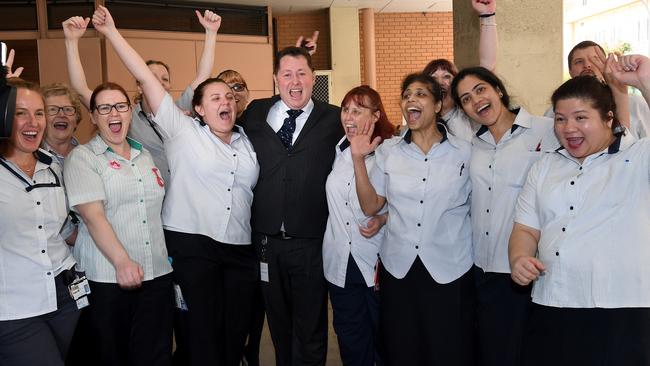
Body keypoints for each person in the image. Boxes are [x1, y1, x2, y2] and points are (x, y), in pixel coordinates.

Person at [89, 6, 260, 365]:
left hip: (239, 250)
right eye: (215, 97)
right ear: (197, 109)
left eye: (229, 97)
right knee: (198, 337)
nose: (225, 101)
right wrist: (112, 33)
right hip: (192, 246)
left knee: (235, 334)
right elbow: (146, 78)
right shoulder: (181, 132)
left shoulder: (246, 142)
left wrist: (214, 33)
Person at [509, 54, 650, 365]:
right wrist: (519, 257)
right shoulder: (545, 166)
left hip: (621, 308)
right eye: (560, 119)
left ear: (608, 118)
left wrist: (644, 81)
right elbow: (525, 228)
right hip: (552, 303)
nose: (568, 128)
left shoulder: (637, 158)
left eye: (580, 117)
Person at [351, 73, 474, 365]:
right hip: (400, 268)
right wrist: (358, 161)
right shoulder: (389, 151)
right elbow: (371, 206)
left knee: (447, 349)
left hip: (450, 267)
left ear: (438, 104)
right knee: (402, 349)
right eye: (406, 95)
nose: (411, 101)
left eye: (420, 94)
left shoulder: (464, 152)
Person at [240, 45, 343, 366]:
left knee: (311, 328)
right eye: (287, 74)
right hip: (266, 244)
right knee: (279, 327)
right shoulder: (255, 113)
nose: (294, 81)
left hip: (312, 243)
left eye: (302, 73)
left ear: (313, 78)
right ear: (275, 79)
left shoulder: (334, 118)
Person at [449, 65, 557, 365]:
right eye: (466, 99)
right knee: (492, 351)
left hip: (527, 268)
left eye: (480, 89)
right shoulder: (474, 146)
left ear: (498, 89)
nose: (476, 100)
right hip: (482, 268)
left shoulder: (545, 130)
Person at [64, 79, 174, 366]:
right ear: (93, 116)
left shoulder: (145, 155)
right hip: (109, 279)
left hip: (157, 274)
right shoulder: (83, 158)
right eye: (104, 108)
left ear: (129, 111)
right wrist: (122, 261)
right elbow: (92, 216)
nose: (114, 113)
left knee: (155, 355)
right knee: (112, 356)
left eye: (121, 106)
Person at [63, 9, 220, 184]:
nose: (159, 83)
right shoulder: (125, 115)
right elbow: (81, 89)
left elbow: (202, 77)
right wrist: (71, 41)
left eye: (165, 79)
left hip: (182, 198)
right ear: (140, 86)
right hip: (147, 196)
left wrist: (211, 33)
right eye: (152, 78)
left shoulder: (178, 109)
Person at [0, 76, 80, 365]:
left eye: (38, 113)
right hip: (14, 308)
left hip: (65, 299)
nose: (32, 122)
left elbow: (61, 229)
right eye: (20, 112)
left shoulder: (53, 168)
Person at [323, 85, 394, 366]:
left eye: (358, 110)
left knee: (384, 339)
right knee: (350, 339)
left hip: (376, 261)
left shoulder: (391, 152)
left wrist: (384, 219)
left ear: (376, 115)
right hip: (339, 263)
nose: (348, 116)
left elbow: (378, 206)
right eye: (345, 109)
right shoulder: (337, 150)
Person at [422, 0, 497, 141]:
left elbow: (488, 67)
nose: (440, 82)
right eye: (433, 77)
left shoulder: (469, 116)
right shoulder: (421, 124)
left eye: (446, 76)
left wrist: (487, 16)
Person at [543, 40, 650, 139]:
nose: (587, 65)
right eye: (579, 61)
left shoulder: (637, 104)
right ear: (570, 71)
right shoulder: (556, 111)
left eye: (595, 59)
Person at [41, 83, 82, 165]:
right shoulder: (30, 157)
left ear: (76, 119)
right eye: (52, 109)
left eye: (68, 109)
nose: (62, 115)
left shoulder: (89, 156)